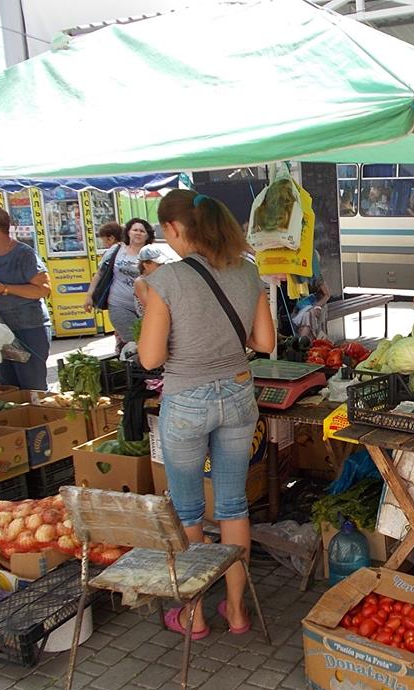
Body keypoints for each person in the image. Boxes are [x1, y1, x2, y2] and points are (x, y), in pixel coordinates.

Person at [138, 189, 274, 639]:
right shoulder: (248, 270)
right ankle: (237, 610)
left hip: (187, 402)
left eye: (165, 232)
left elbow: (150, 359)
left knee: (189, 512)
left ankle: (194, 614)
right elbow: (264, 344)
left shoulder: (166, 280)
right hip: (238, 395)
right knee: (234, 507)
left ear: (176, 229)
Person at [0, 204, 51, 389]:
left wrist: (5, 289)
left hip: (29, 328)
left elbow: (44, 289)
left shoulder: (24, 254)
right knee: (8, 387)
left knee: (32, 386)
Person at [84, 218, 153, 345]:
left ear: (148, 235)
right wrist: (89, 296)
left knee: (151, 342)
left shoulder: (152, 253)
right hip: (119, 304)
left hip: (147, 307)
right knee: (132, 342)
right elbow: (100, 273)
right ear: (128, 232)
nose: (138, 233)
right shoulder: (116, 250)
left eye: (142, 231)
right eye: (135, 230)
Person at [291, 251, 330, 338]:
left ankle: (304, 342)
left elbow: (327, 295)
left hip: (318, 304)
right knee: (305, 320)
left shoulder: (318, 276)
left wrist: (316, 305)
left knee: (308, 316)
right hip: (302, 307)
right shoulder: (297, 275)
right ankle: (307, 343)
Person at [133, 244, 169, 317]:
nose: (163, 267)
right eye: (159, 265)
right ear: (146, 265)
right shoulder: (141, 282)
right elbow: (149, 305)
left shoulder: (161, 278)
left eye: (163, 264)